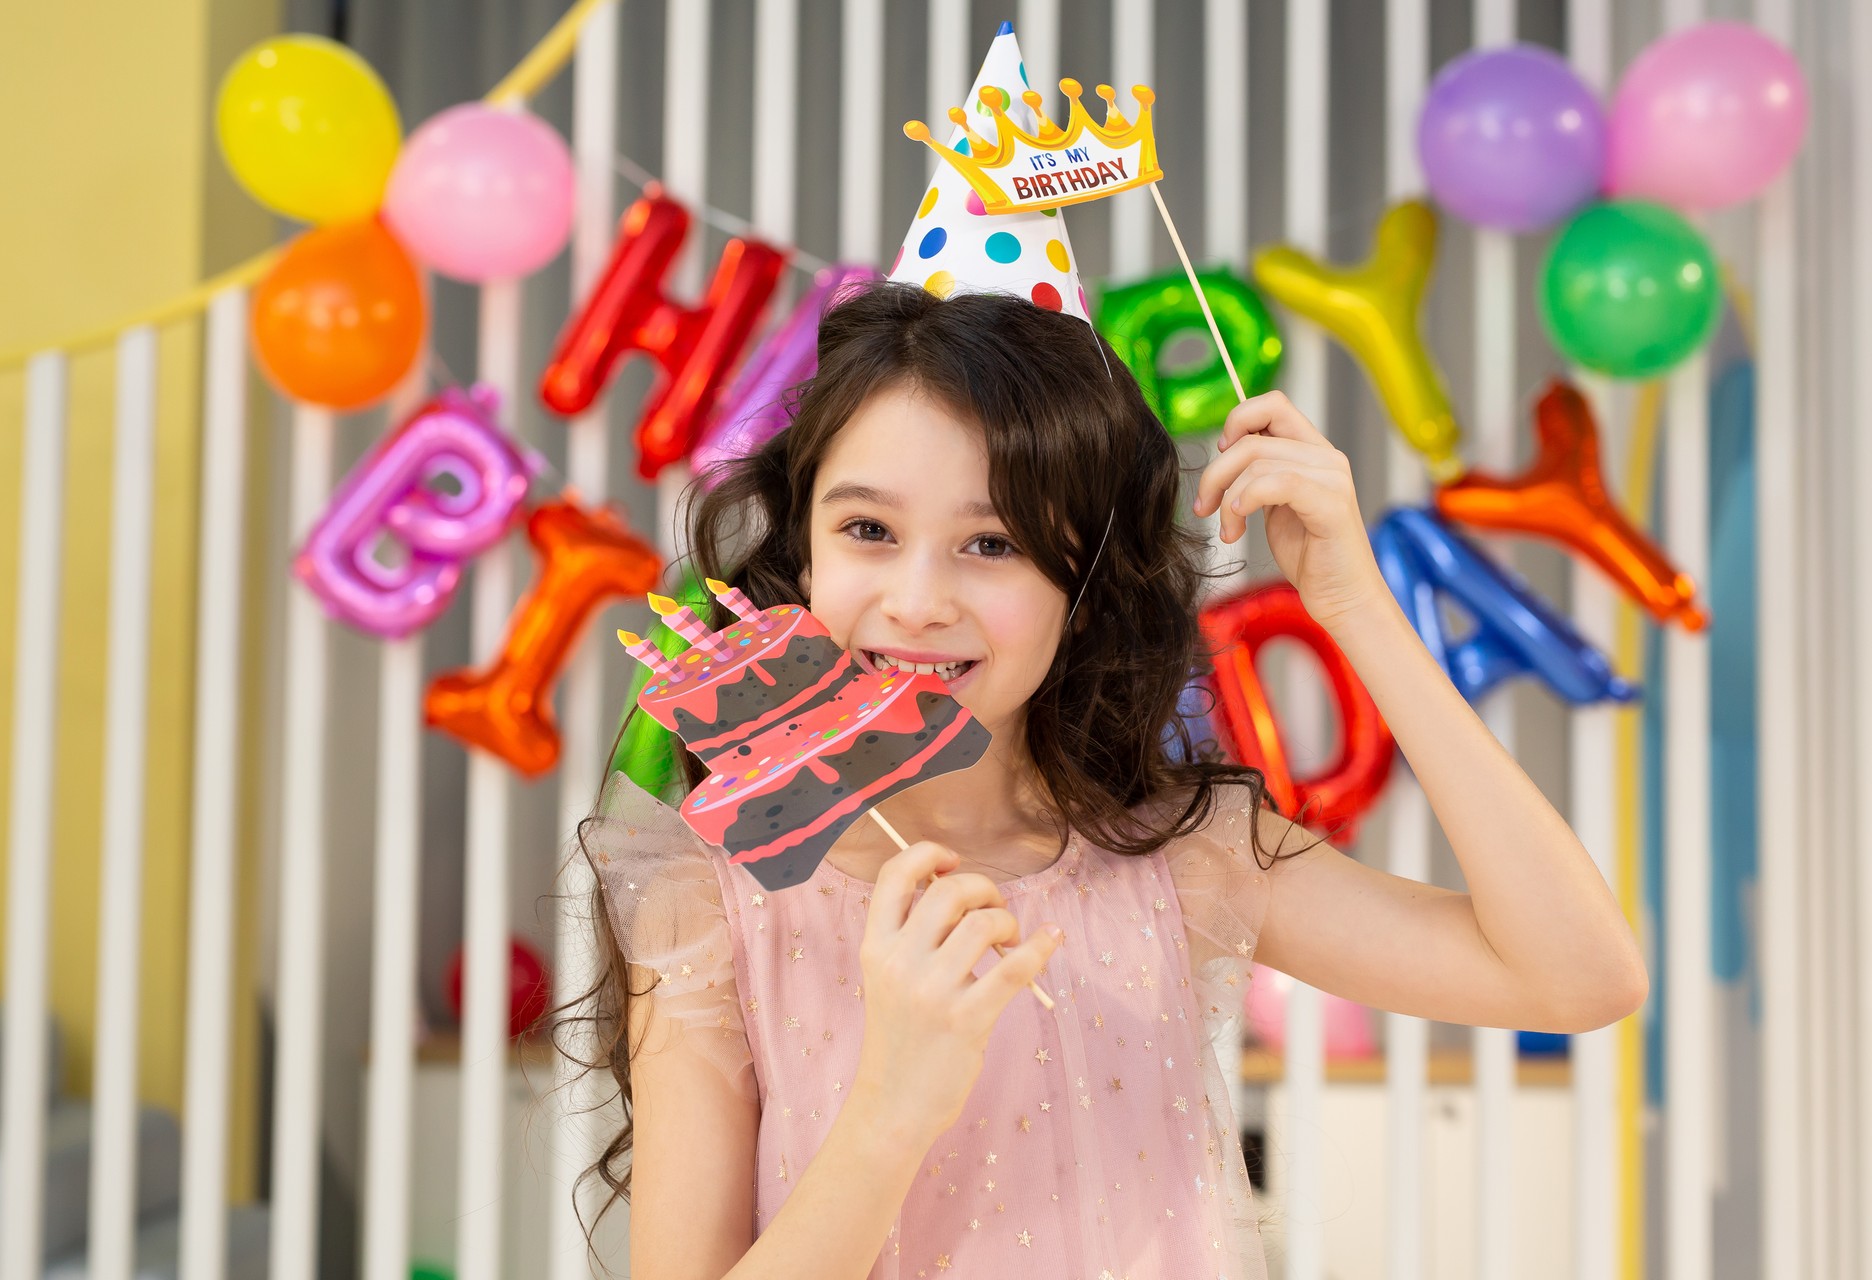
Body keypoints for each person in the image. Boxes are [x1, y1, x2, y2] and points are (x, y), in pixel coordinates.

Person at [561, 279, 1647, 1280]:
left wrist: (1356, 603)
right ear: (802, 550)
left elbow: (1580, 976)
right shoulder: (713, 900)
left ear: (1084, 580)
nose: (918, 596)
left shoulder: (1179, 855)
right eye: (868, 529)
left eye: (992, 542)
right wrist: (893, 1104)